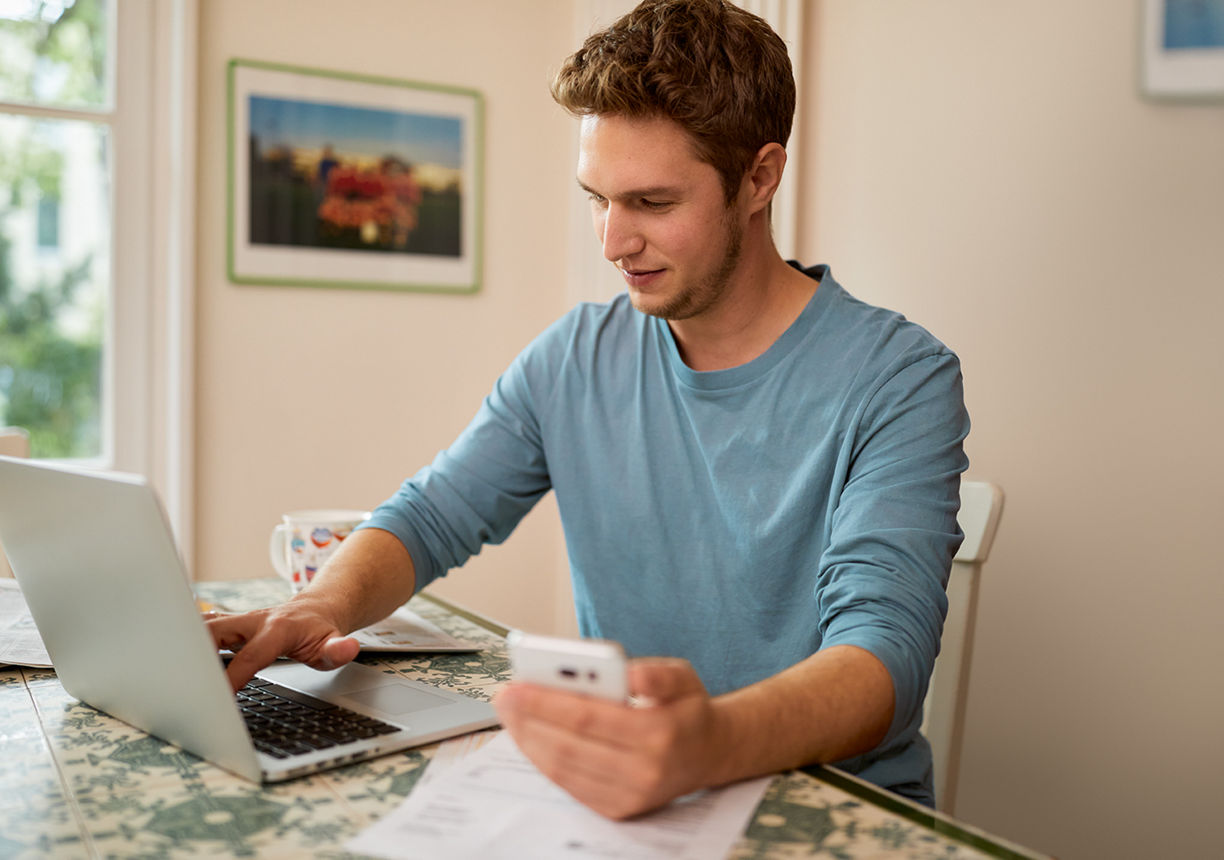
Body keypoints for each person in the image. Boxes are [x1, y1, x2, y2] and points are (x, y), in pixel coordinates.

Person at [208, 0, 969, 818]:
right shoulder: (577, 355)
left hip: (834, 810)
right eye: (597, 199)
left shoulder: (900, 378)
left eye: (651, 203)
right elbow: (429, 516)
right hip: (635, 806)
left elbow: (883, 655)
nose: (612, 242)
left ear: (760, 177)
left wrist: (706, 743)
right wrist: (318, 605)